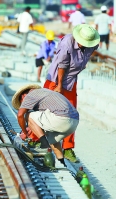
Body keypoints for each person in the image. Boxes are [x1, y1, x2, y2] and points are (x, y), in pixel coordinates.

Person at [43, 24, 99, 162]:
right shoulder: (67, 42)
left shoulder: (92, 45)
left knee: (71, 114)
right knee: (45, 109)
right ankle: (34, 138)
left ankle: (68, 148)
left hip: (71, 81)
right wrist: (59, 86)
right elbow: (62, 65)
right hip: (56, 80)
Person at [12, 84, 79, 166]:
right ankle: (62, 163)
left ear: (23, 96)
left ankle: (44, 144)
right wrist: (28, 128)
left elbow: (20, 115)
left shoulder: (29, 95)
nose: (25, 107)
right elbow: (39, 121)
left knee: (28, 115)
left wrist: (25, 133)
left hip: (61, 119)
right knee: (53, 141)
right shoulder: (45, 93)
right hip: (74, 122)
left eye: (22, 103)